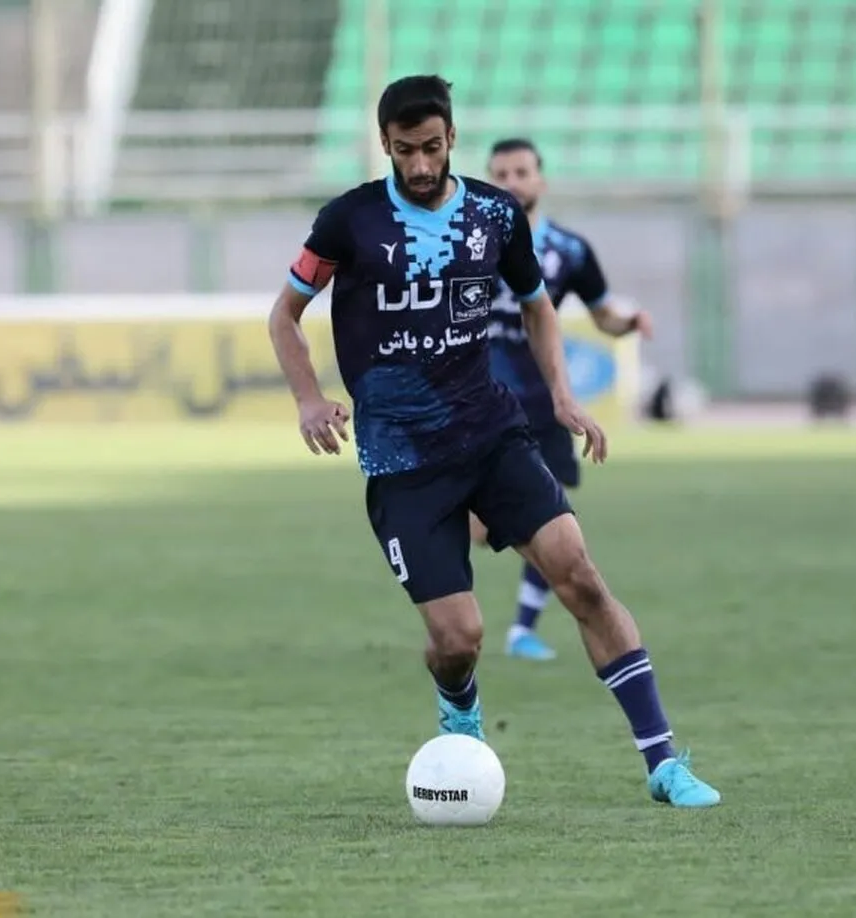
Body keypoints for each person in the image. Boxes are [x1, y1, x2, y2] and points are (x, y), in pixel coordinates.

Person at [267, 75, 719, 807]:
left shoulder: (494, 215)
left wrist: (563, 396)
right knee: (459, 638)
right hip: (404, 462)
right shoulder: (348, 221)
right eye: (405, 150)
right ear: (385, 144)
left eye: (432, 147)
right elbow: (284, 314)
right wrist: (308, 398)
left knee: (580, 576)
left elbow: (539, 307)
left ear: (452, 138)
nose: (420, 164)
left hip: (491, 434)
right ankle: (459, 706)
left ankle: (663, 761)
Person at [476, 137, 654, 662]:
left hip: (545, 401)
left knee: (553, 520)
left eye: (521, 172)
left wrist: (628, 323)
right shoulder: (467, 243)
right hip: (481, 402)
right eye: (500, 175)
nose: (511, 183)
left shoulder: (570, 251)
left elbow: (603, 315)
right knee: (482, 528)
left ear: (541, 180)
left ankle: (522, 630)